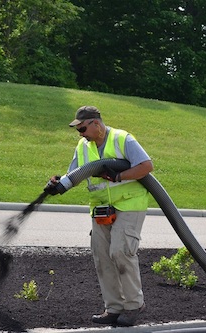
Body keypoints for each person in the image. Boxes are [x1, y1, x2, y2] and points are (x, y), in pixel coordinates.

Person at [49, 106, 153, 326]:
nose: (81, 134)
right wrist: (58, 184)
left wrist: (120, 175)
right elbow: (75, 174)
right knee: (102, 257)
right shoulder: (83, 146)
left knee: (120, 252)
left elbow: (146, 166)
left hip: (129, 204)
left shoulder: (122, 139)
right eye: (78, 130)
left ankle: (134, 305)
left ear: (96, 123)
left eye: (83, 128)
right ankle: (113, 308)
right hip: (101, 209)